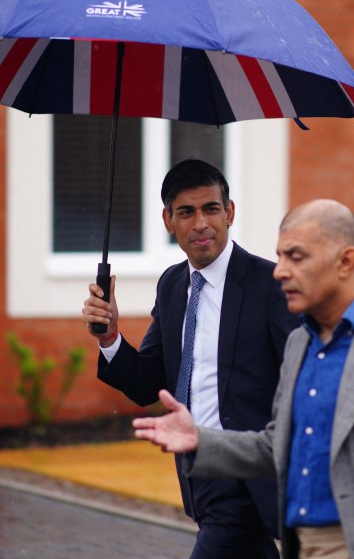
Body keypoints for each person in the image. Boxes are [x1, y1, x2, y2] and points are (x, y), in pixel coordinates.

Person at [132, 199, 354, 559]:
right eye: (280, 256)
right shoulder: (300, 343)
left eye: (297, 257)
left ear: (345, 261)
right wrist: (200, 441)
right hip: (301, 545)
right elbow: (278, 446)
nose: (280, 271)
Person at [81, 158, 298, 559]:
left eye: (210, 209)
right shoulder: (172, 284)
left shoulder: (272, 285)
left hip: (247, 475)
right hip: (195, 470)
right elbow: (149, 383)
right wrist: (110, 336)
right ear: (168, 220)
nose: (200, 223)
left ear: (229, 212)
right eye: (186, 212)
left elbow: (303, 382)